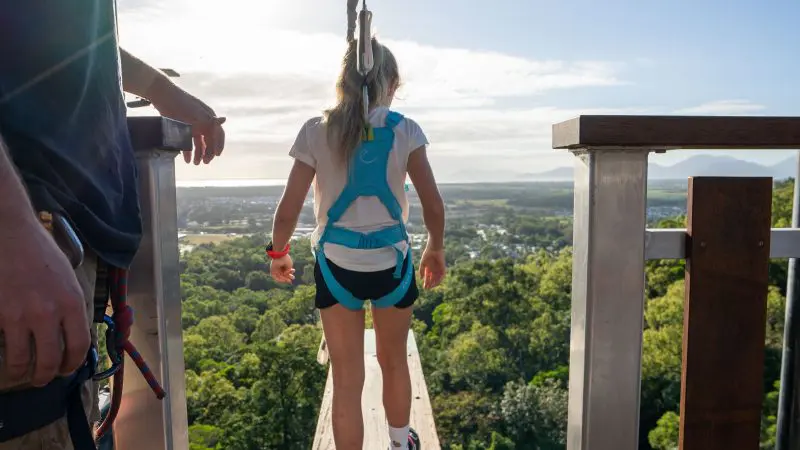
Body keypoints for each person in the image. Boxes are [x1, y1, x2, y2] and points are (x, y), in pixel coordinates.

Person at [0, 1, 225, 449]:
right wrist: (10, 229)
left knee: (69, 417)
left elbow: (58, 31)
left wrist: (160, 87)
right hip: (31, 220)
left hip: (59, 225)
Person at [267, 33, 447, 450]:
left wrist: (278, 253)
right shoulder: (407, 131)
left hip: (336, 265)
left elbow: (289, 206)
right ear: (392, 84)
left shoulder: (316, 131)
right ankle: (401, 443)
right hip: (392, 265)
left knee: (347, 377)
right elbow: (433, 205)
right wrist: (435, 247)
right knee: (393, 362)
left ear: (342, 82)